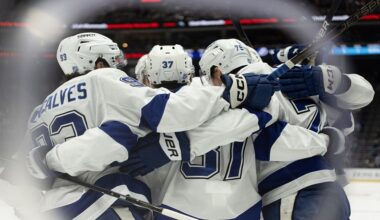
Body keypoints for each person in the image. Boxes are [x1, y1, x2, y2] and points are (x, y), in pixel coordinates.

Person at [25, 32, 282, 220]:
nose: (119, 70)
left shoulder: (39, 110)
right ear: (99, 64)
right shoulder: (104, 80)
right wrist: (229, 93)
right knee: (133, 190)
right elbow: (171, 112)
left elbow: (26, 170)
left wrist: (49, 163)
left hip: (53, 207)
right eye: (114, 63)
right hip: (104, 205)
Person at [121, 44, 338, 220]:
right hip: (243, 208)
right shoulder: (215, 98)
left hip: (174, 207)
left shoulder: (146, 109)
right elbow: (255, 117)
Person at [199, 38, 374, 220]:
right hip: (332, 192)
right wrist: (327, 77)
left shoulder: (232, 96)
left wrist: (326, 141)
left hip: (291, 194)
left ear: (216, 69)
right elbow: (353, 113)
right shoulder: (297, 74)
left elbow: (266, 142)